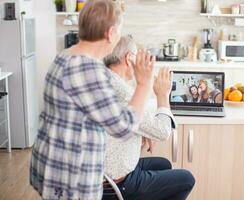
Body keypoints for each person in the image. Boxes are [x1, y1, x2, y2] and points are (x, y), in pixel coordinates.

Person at [30, 1, 155, 199]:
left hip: (51, 165)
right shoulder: (87, 71)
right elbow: (124, 127)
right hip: (72, 180)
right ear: (111, 33)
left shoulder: (65, 56)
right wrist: (144, 85)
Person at [103, 36, 195, 200]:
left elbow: (138, 109)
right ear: (129, 58)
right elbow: (162, 132)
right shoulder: (123, 94)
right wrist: (163, 96)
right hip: (116, 183)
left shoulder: (109, 79)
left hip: (110, 170)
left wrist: (144, 128)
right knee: (187, 179)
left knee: (163, 164)